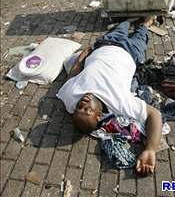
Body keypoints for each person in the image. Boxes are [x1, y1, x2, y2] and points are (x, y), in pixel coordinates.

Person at [57, 17, 162, 175]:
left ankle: (131, 19)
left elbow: (73, 73)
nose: (83, 103)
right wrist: (151, 149)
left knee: (123, 24)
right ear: (99, 116)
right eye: (87, 110)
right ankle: (146, 22)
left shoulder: (70, 96)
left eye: (79, 107)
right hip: (131, 52)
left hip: (106, 44)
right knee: (143, 30)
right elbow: (154, 114)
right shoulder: (119, 103)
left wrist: (84, 54)